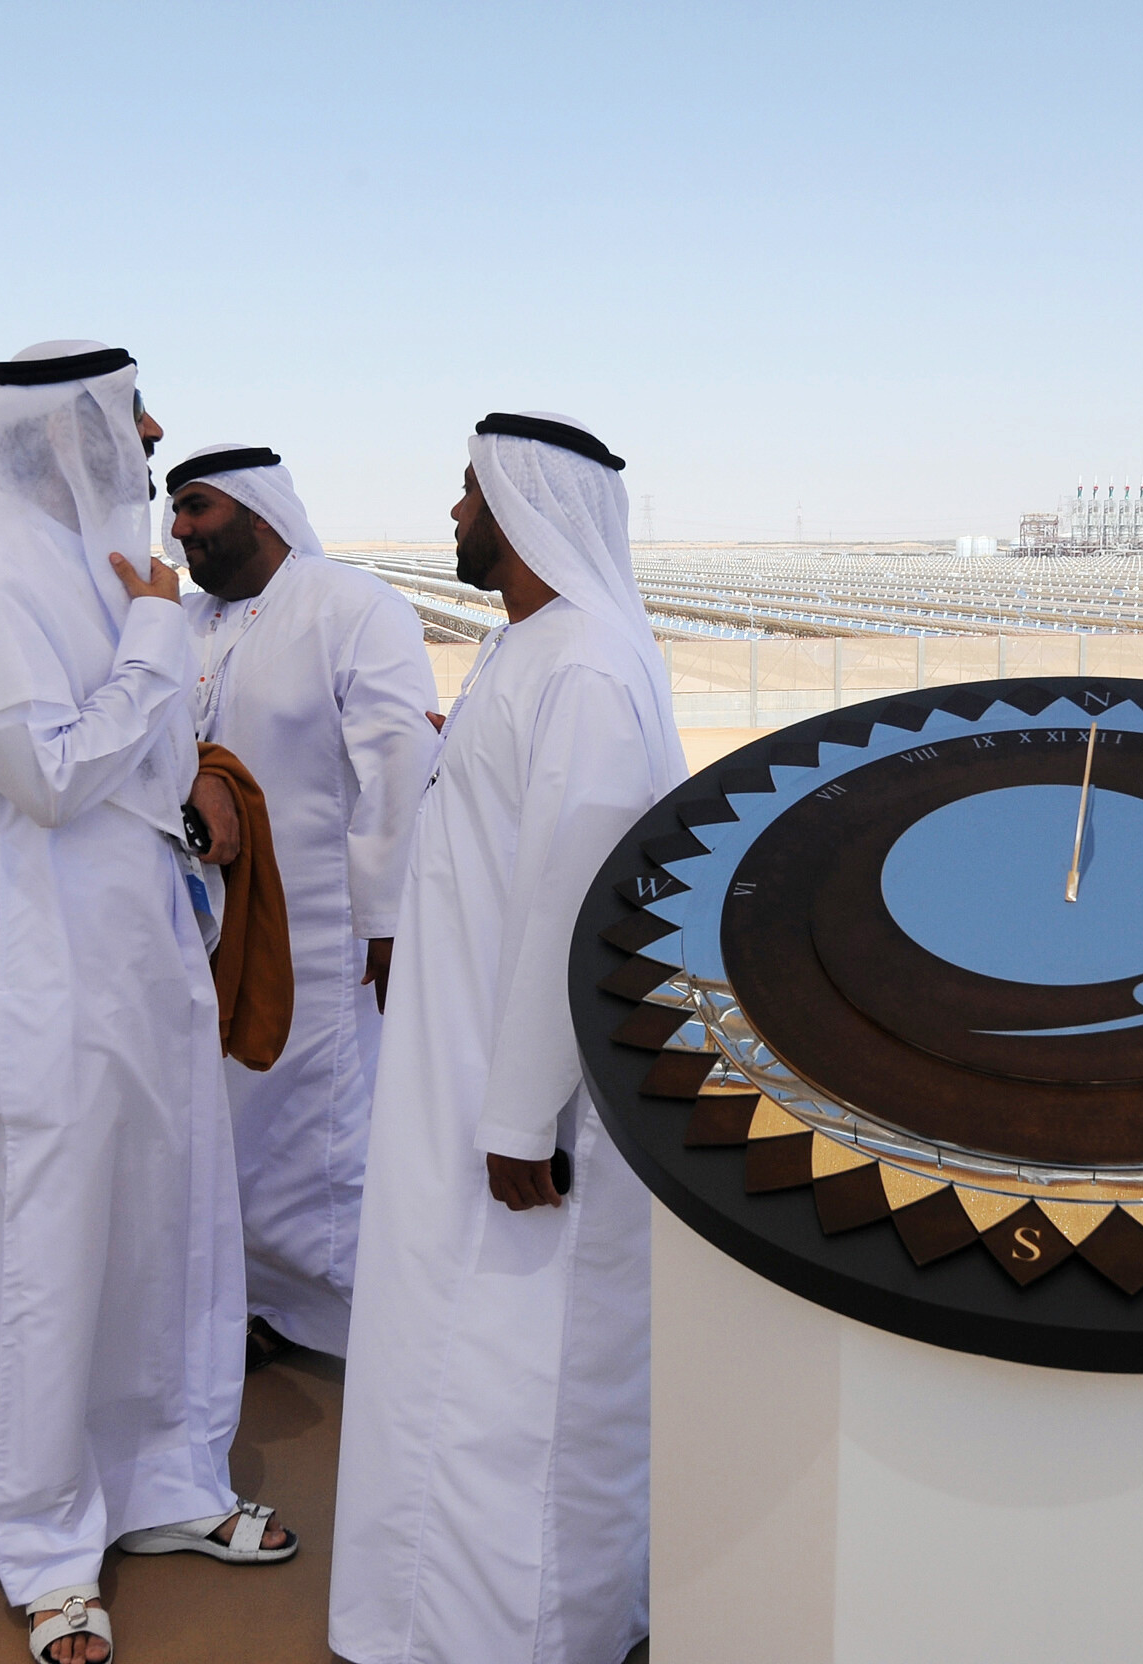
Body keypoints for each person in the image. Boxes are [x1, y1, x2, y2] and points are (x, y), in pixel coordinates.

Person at [0, 343, 291, 1664]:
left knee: (157, 1229)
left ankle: (164, 1483)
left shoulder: (85, 560)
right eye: (128, 415)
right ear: (56, 434)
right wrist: (156, 633)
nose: (151, 434)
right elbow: (47, 774)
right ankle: (42, 1546)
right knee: (43, 1254)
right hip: (33, 984)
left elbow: (141, 756)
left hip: (132, 967)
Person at [329, 414, 687, 1664]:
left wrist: (523, 1111)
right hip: (459, 1071)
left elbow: (573, 902)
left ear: (527, 506)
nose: (454, 515)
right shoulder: (529, 647)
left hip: (524, 1103)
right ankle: (433, 1620)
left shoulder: (583, 666)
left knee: (520, 1381)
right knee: (456, 1356)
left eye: (469, 494)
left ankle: (530, 1633)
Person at [161, 443, 439, 1366]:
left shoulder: (351, 606)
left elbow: (399, 763)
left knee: (323, 1143)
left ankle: (368, 1330)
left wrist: (387, 918)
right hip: (200, 932)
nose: (180, 529)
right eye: (175, 511)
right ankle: (254, 1304)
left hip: (326, 935)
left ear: (258, 511)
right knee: (224, 1135)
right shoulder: (178, 623)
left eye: (197, 507)